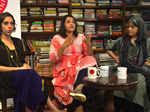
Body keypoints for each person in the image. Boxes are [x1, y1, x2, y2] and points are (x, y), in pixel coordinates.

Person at [0, 12, 64, 112]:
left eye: (12, 23)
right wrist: (19, 69)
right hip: (4, 77)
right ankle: (52, 108)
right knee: (30, 77)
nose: (9, 26)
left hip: (21, 75)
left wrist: (28, 68)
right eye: (6, 23)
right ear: (0, 25)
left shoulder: (17, 41)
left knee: (33, 76)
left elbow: (22, 62)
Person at [49, 15, 97, 112]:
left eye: (73, 22)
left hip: (80, 64)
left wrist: (88, 44)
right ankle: (76, 95)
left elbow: (89, 55)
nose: (72, 24)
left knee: (91, 60)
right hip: (65, 65)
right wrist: (64, 46)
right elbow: (53, 59)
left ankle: (79, 87)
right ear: (63, 25)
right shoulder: (57, 38)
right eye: (68, 22)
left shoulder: (80, 36)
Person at [105, 14, 150, 111]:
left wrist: (146, 63)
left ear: (139, 27)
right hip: (124, 69)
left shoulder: (146, 41)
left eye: (132, 27)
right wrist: (116, 58)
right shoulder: (122, 40)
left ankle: (137, 107)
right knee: (118, 83)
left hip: (140, 71)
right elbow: (108, 48)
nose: (129, 29)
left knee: (140, 82)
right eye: (127, 27)